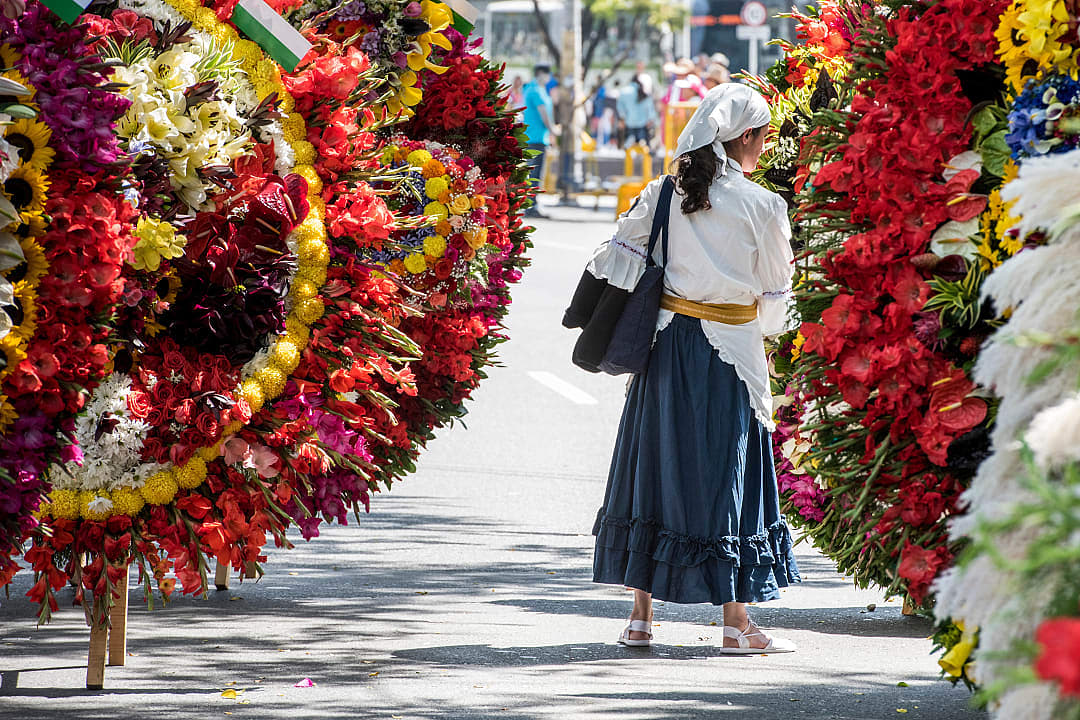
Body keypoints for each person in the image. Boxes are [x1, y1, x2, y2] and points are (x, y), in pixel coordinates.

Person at [586, 84, 801, 653]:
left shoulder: (661, 192)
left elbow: (618, 259)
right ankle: (736, 625)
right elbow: (777, 302)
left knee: (650, 469)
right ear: (747, 139)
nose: (764, 147)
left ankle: (639, 619)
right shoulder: (763, 205)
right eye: (764, 137)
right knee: (728, 475)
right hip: (731, 349)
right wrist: (766, 329)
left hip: (667, 347)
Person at [521, 65, 557, 218]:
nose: (549, 78)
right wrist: (553, 130)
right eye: (547, 74)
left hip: (537, 137)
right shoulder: (535, 90)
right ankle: (531, 206)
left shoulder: (536, 89)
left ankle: (532, 204)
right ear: (541, 74)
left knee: (535, 172)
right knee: (535, 174)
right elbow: (544, 113)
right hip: (535, 138)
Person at [616, 75, 658, 147]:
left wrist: (622, 119)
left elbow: (620, 108)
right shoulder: (644, 91)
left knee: (629, 147)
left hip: (629, 123)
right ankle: (641, 144)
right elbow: (649, 108)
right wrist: (651, 119)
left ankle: (630, 144)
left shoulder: (624, 91)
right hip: (643, 124)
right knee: (644, 147)